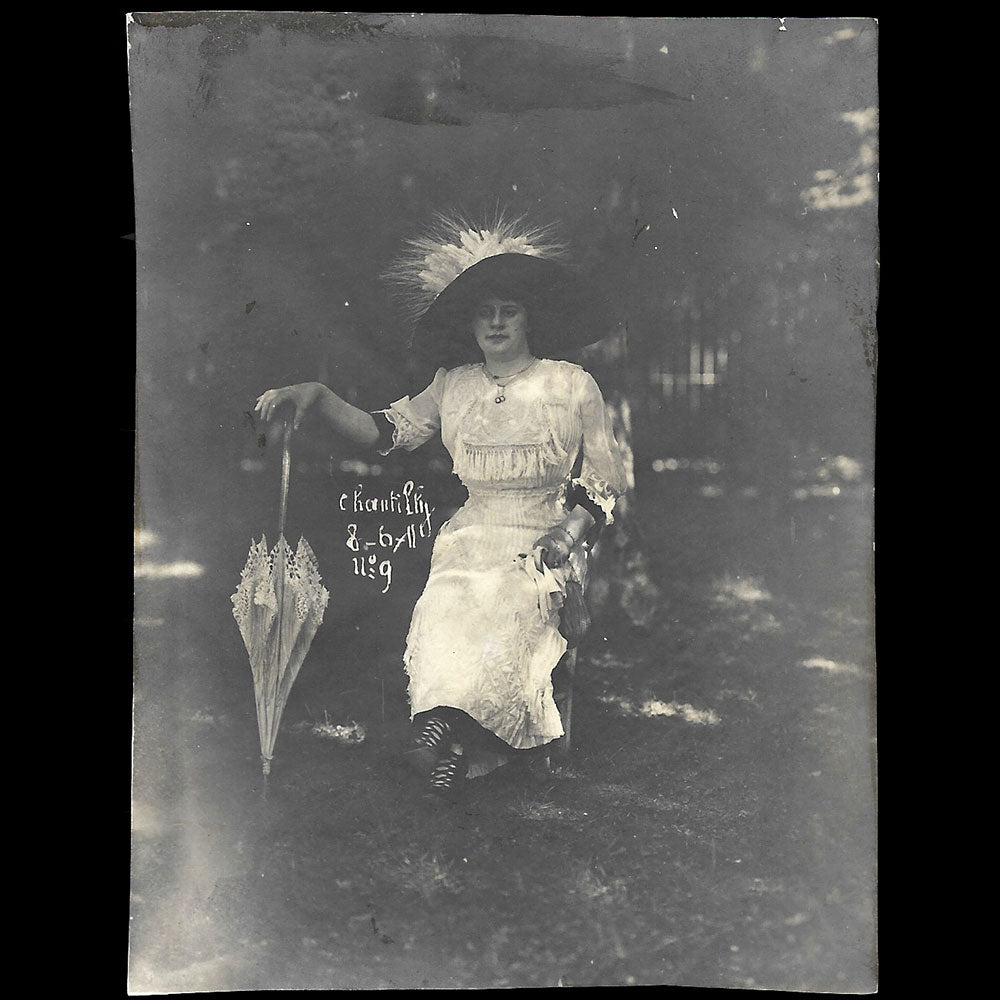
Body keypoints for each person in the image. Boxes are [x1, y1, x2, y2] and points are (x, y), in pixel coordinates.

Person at [254, 216, 627, 799]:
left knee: (507, 602)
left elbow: (603, 480)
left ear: (530, 316)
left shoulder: (572, 384)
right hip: (470, 536)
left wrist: (568, 531)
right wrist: (320, 398)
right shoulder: (452, 384)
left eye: (509, 309)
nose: (497, 322)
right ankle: (451, 742)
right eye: (484, 312)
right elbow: (387, 430)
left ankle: (438, 737)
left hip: (543, 539)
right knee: (447, 605)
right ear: (469, 323)